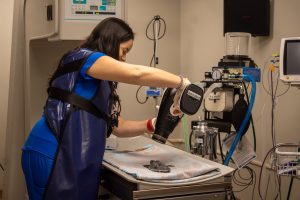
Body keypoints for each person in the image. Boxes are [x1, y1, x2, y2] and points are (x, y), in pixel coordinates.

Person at [21, 17, 190, 200]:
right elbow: (137, 74)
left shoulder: (96, 79)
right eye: (124, 50)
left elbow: (118, 126)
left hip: (52, 149)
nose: (124, 58)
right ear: (110, 41)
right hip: (53, 151)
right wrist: (181, 82)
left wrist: (152, 124)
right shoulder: (85, 58)